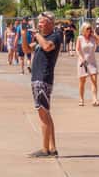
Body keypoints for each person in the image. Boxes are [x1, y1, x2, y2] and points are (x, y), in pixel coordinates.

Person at [26, 12, 62, 158]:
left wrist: (36, 34)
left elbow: (47, 47)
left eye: (42, 21)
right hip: (37, 78)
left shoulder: (54, 36)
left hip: (43, 78)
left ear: (50, 23)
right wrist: (24, 34)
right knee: (46, 113)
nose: (39, 24)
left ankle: (45, 149)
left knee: (42, 114)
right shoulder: (41, 38)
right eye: (38, 22)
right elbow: (27, 49)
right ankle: (52, 148)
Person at [76, 22, 99, 106]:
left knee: (94, 81)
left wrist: (95, 34)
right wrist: (81, 58)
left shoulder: (93, 37)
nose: (89, 30)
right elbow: (77, 49)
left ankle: (95, 99)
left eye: (90, 28)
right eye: (87, 29)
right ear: (83, 29)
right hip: (83, 62)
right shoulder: (80, 38)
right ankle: (81, 99)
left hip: (92, 62)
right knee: (82, 81)